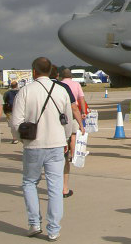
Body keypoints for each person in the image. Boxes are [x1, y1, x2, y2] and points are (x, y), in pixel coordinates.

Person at [11, 57, 73, 241]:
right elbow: (67, 120)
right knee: (55, 187)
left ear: (34, 71)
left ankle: (34, 223)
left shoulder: (25, 91)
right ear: (51, 71)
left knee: (30, 183)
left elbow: (16, 122)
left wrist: (21, 139)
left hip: (33, 145)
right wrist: (66, 138)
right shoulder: (61, 91)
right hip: (56, 144)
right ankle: (53, 229)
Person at [58, 69, 87, 198]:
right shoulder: (76, 85)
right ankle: (73, 154)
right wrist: (83, 112)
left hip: (61, 116)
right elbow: (81, 99)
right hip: (73, 113)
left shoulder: (59, 85)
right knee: (73, 135)